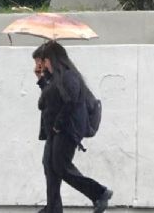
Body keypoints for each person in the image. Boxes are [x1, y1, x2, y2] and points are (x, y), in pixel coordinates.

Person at [34, 41, 112, 213]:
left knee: (60, 166)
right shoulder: (55, 79)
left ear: (52, 59)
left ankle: (99, 193)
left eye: (44, 60)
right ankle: (53, 208)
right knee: (49, 165)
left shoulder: (69, 76)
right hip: (55, 132)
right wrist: (41, 80)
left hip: (66, 131)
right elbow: (48, 101)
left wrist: (58, 125)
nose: (43, 64)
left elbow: (71, 102)